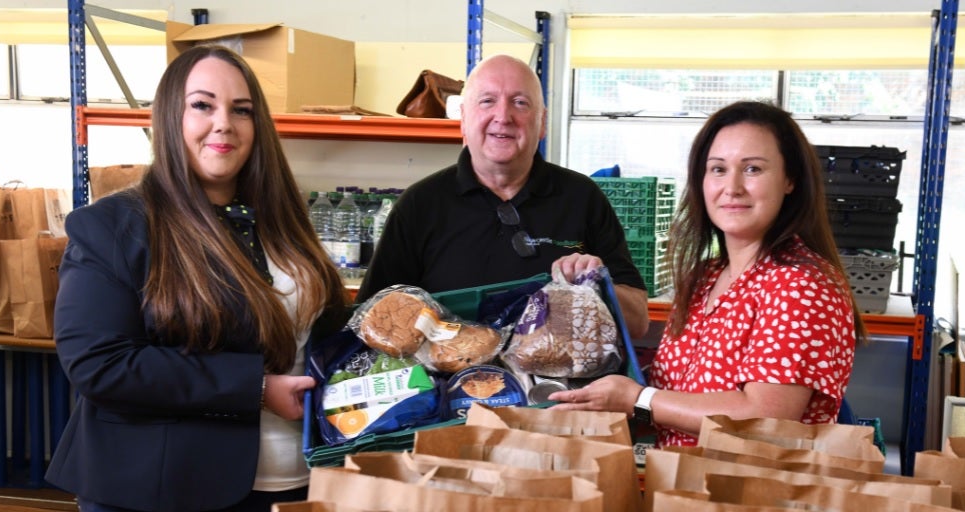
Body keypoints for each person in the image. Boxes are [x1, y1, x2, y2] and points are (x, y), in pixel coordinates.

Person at [45, 45, 347, 511]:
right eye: (202, 105)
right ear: (170, 117)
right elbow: (100, 364)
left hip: (295, 480)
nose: (224, 122)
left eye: (241, 110)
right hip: (164, 489)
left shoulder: (284, 219)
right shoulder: (116, 226)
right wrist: (257, 389)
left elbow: (318, 336)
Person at [550, 101, 865, 447]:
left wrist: (638, 399)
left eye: (753, 169)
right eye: (718, 169)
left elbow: (764, 416)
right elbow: (678, 394)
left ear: (791, 179)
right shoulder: (706, 276)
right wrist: (591, 293)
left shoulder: (800, 284)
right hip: (685, 487)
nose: (732, 187)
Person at [355, 54, 649, 339]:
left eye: (520, 103)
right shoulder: (420, 205)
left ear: (542, 123)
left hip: (558, 386)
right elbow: (371, 320)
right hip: (447, 384)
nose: (503, 116)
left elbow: (638, 323)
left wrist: (597, 286)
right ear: (464, 120)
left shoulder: (582, 197)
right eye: (487, 101)